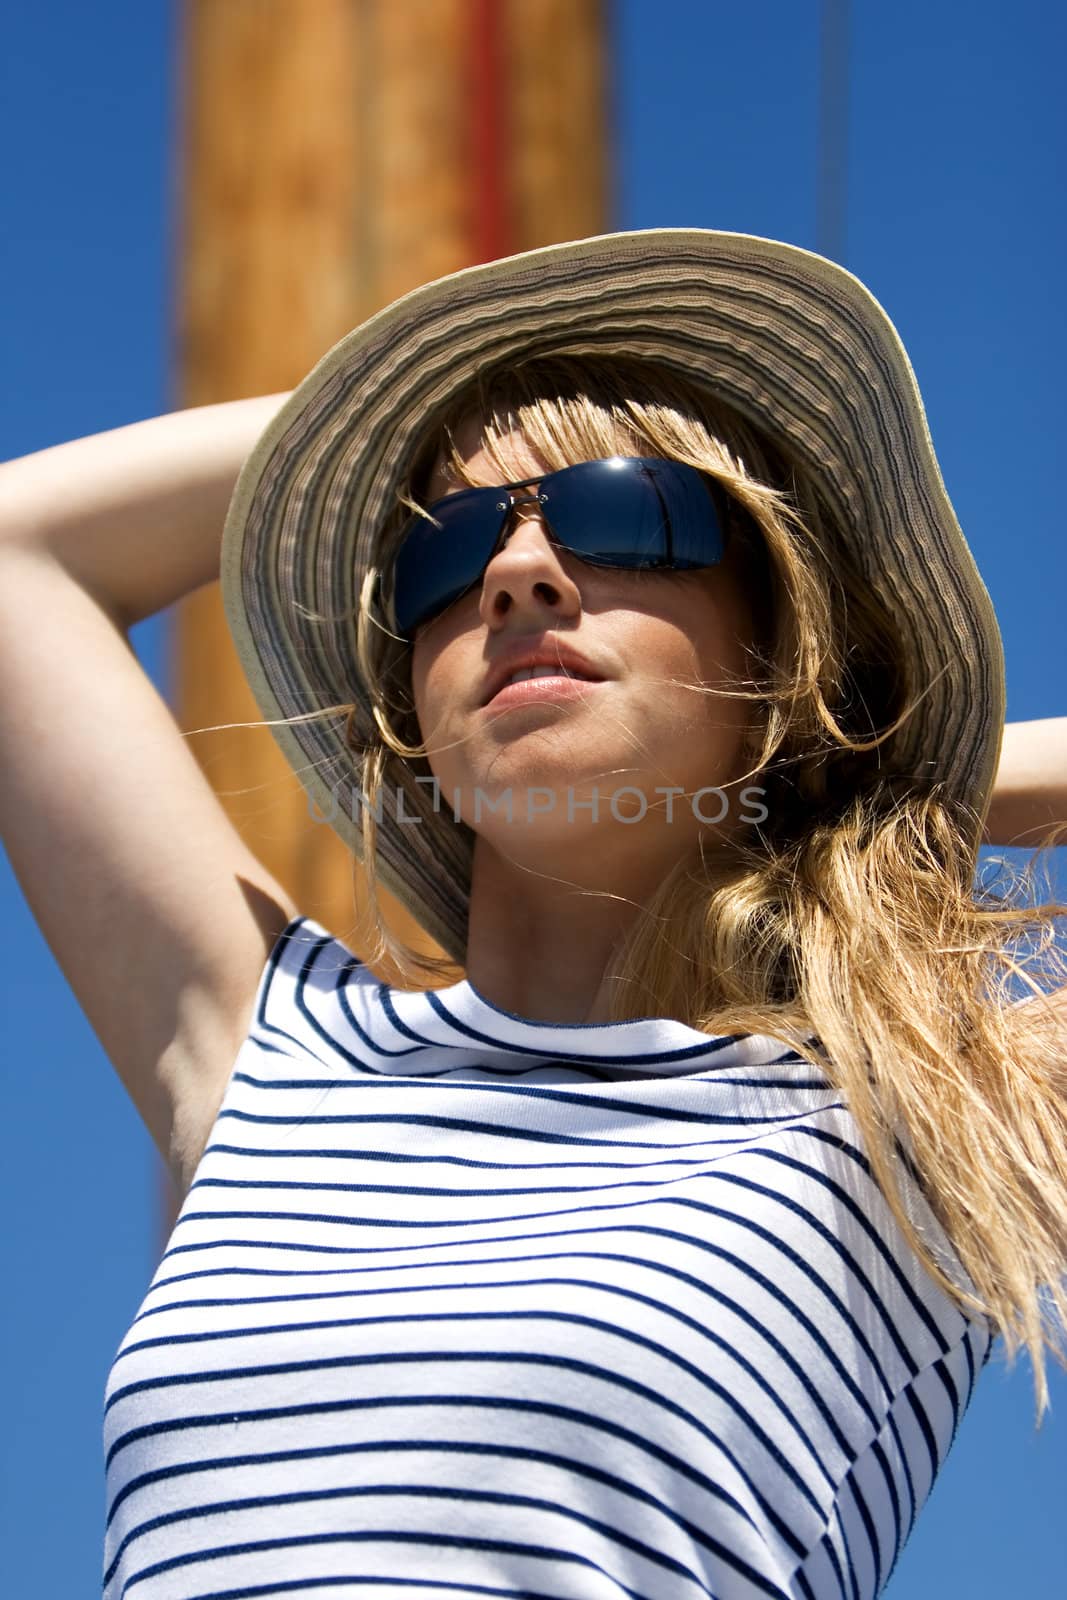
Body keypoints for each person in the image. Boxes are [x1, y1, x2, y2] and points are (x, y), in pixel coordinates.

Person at [1, 228, 1065, 1600]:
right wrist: (384, 429)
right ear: (410, 714)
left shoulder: (927, 1105)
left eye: (629, 516)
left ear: (778, 646)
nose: (518, 575)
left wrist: (862, 787)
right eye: (449, 552)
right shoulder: (277, 1056)